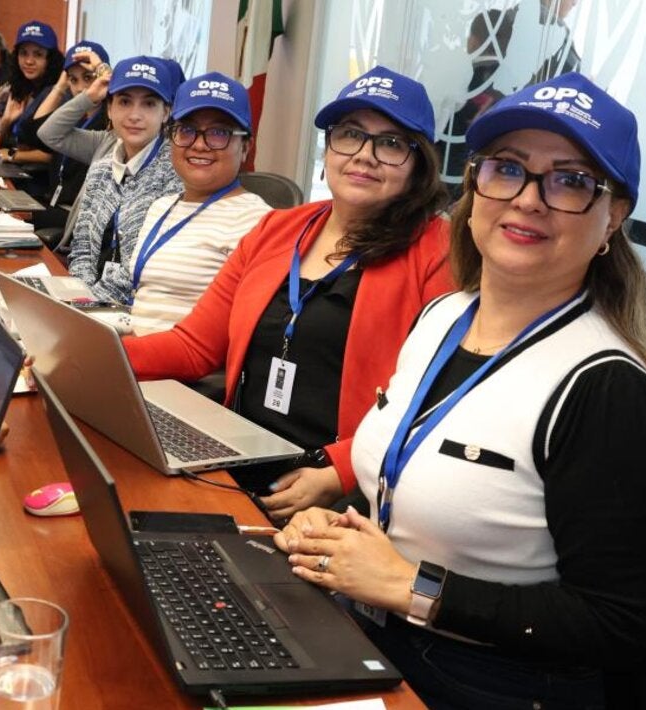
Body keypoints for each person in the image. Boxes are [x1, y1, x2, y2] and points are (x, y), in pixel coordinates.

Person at [273, 71, 646, 709]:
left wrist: (412, 586)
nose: (528, 199)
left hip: (491, 680)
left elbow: (615, 624)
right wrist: (337, 536)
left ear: (613, 218)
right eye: (507, 168)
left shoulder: (606, 391)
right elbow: (414, 493)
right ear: (475, 186)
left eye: (571, 181)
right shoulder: (443, 317)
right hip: (372, 635)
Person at [123, 66, 452, 518]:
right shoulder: (278, 229)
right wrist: (96, 357)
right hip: (235, 458)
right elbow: (195, 345)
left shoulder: (436, 251)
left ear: (420, 164)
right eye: (350, 134)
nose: (364, 155)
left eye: (391, 143)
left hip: (337, 487)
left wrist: (340, 472)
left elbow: (435, 402)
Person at [128, 73, 271, 335]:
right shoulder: (161, 206)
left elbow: (232, 337)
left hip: (182, 371)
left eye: (219, 133)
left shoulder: (257, 221)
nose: (200, 145)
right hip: (133, 355)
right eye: (187, 130)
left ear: (246, 147)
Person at [64, 57, 182, 303]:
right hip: (88, 305)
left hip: (137, 312)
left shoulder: (177, 176)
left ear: (166, 113)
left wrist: (89, 307)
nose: (134, 115)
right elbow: (82, 250)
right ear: (109, 108)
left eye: (149, 104)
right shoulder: (100, 170)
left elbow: (144, 270)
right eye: (125, 102)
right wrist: (79, 299)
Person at [23, 40, 110, 231]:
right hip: (55, 206)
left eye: (88, 78)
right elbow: (32, 134)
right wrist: (61, 86)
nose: (80, 88)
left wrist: (103, 77)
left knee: (14, 216)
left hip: (76, 218)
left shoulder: (110, 126)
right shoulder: (74, 116)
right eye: (73, 79)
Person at [0, 20, 63, 170]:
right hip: (15, 170)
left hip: (36, 182)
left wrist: (11, 155)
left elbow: (54, 154)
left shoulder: (57, 93)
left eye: (38, 54)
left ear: (50, 59)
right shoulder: (21, 87)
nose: (29, 61)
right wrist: (6, 120)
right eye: (23, 53)